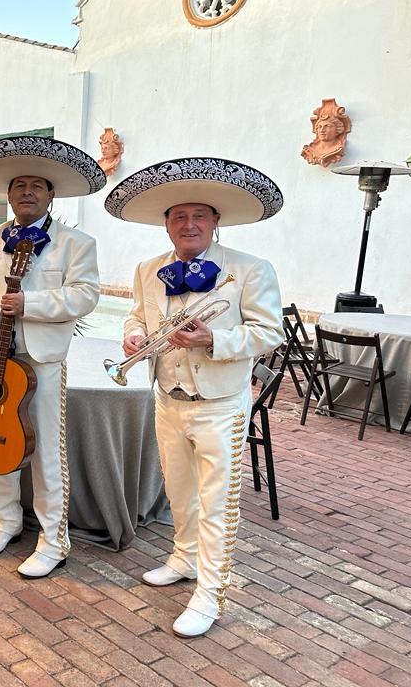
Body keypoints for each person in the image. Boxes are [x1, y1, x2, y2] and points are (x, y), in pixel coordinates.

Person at [105, 156, 285, 637]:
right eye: (178, 217)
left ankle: (210, 593)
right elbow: (137, 318)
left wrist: (213, 340)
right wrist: (133, 338)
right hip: (168, 396)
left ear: (215, 221)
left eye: (198, 216)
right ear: (166, 226)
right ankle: (183, 559)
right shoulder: (148, 269)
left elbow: (270, 334)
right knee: (178, 490)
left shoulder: (251, 269)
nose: (189, 225)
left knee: (217, 502)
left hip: (220, 405)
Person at [0, 136, 106, 578]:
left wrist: (32, 304)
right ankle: (6, 521)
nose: (26, 192)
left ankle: (53, 539)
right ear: (8, 194)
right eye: (18, 185)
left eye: (35, 186)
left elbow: (87, 295)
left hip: (42, 360)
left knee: (44, 452)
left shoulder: (76, 243)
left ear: (50, 194)